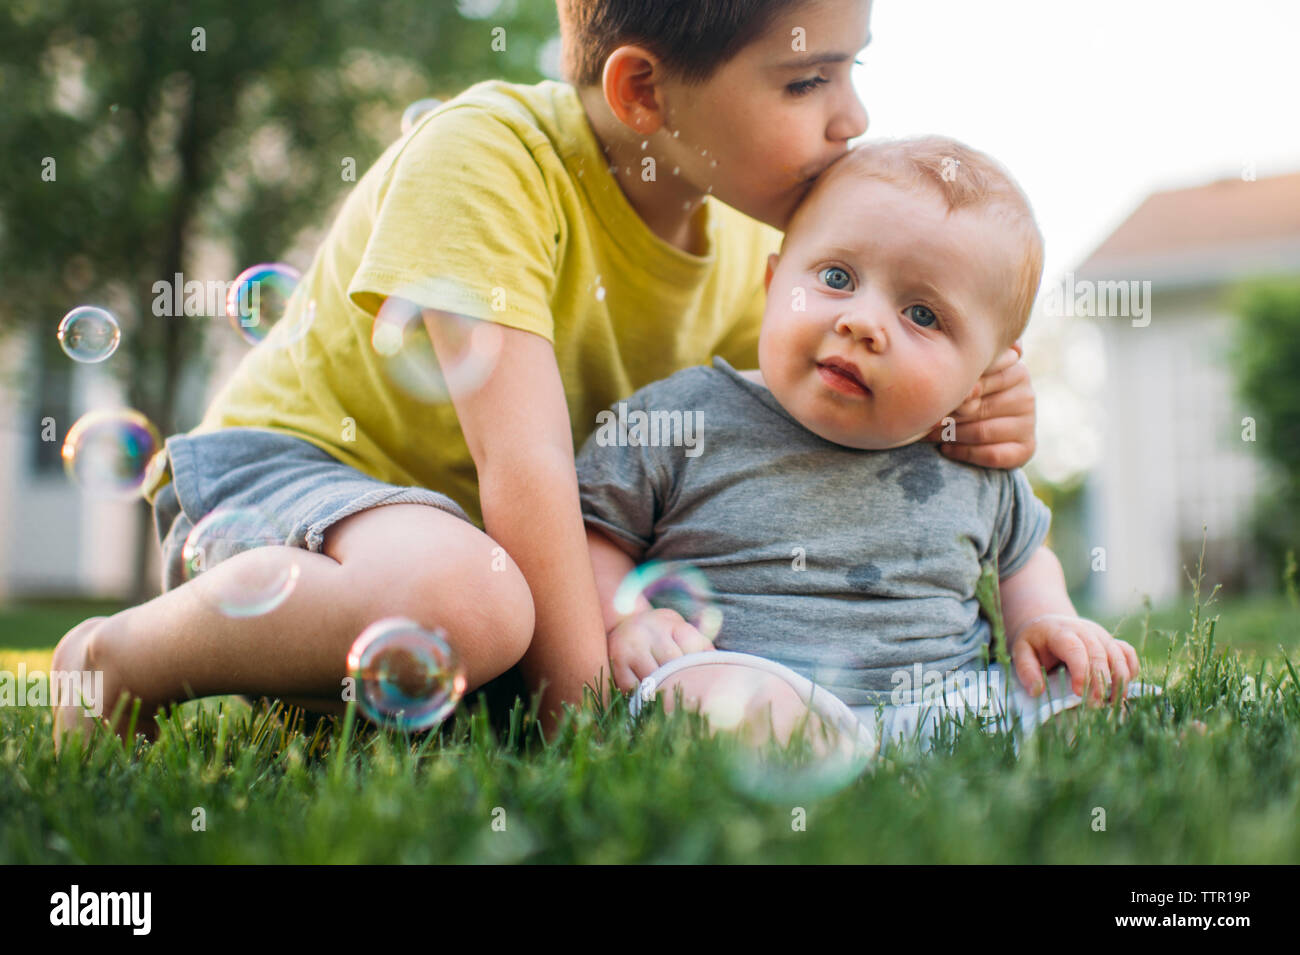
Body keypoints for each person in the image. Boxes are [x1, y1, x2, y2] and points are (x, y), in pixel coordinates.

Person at [52, 0, 1038, 746]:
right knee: (481, 603)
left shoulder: (749, 248)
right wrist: (585, 722)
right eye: (804, 83)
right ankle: (113, 655)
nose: (851, 119)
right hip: (286, 481)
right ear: (644, 91)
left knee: (483, 605)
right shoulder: (485, 159)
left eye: (851, 71)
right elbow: (524, 471)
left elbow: (798, 436)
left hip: (448, 552)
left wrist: (970, 405)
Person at [577, 136, 1147, 754]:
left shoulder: (970, 457)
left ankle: (1079, 736)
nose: (863, 323)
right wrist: (626, 621)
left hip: (941, 703)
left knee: (1079, 695)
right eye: (837, 277)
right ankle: (811, 749)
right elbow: (595, 531)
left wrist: (1045, 621)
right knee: (699, 693)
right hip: (753, 685)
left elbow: (1023, 556)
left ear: (982, 374)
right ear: (773, 283)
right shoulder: (682, 416)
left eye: (923, 315)